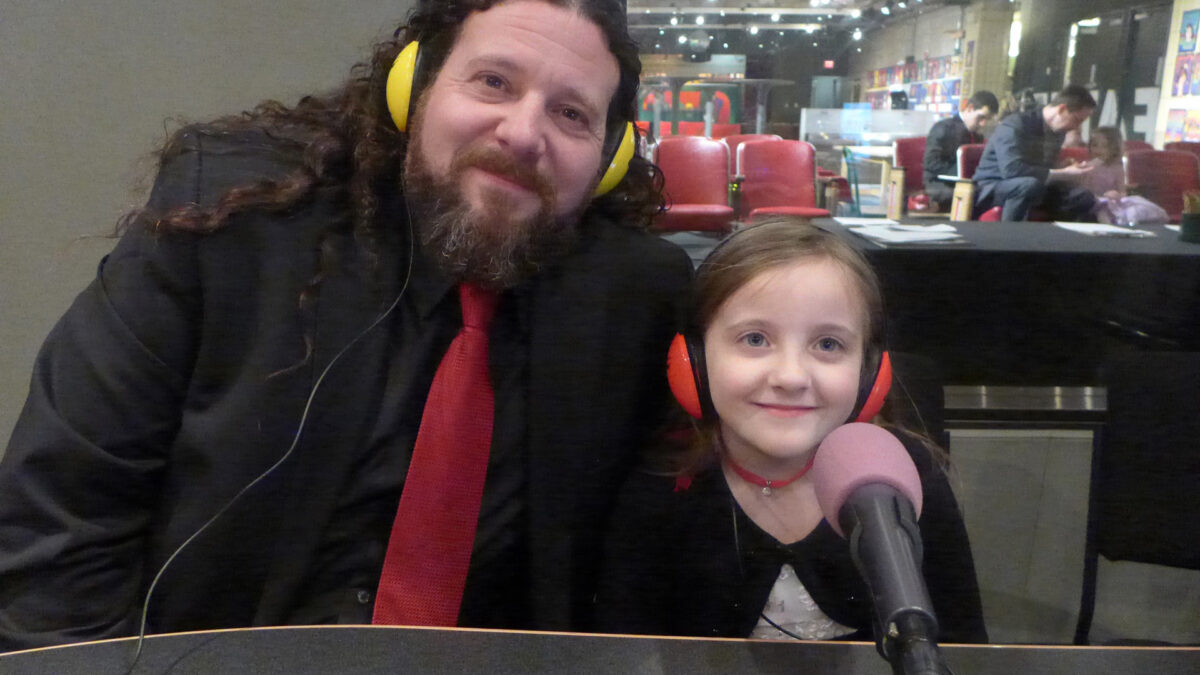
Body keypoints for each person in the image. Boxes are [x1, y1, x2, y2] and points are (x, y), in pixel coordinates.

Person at [0, 0, 692, 651]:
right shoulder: (236, 223)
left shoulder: (634, 302)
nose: (522, 132)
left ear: (609, 159)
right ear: (412, 88)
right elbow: (60, 529)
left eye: (572, 114)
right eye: (493, 82)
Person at [594, 219, 987, 644]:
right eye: (755, 339)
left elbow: (963, 644)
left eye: (828, 345)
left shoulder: (905, 480)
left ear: (870, 372)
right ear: (692, 359)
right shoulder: (659, 490)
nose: (791, 376)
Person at [972, 84, 1098, 221]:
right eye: (1077, 120)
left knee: (1083, 196)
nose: (1076, 127)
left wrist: (1061, 167)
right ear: (1062, 109)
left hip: (1034, 185)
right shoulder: (1016, 124)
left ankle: (1059, 238)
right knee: (1029, 185)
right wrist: (1063, 173)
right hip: (994, 186)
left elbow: (1041, 168)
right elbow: (1011, 170)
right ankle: (1008, 236)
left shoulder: (1058, 132)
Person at [922, 90, 1000, 211]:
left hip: (965, 183)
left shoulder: (977, 135)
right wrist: (961, 172)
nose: (983, 124)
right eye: (981, 117)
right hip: (939, 184)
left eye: (987, 120)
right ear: (970, 108)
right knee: (983, 195)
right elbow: (931, 163)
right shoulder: (943, 128)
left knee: (996, 191)